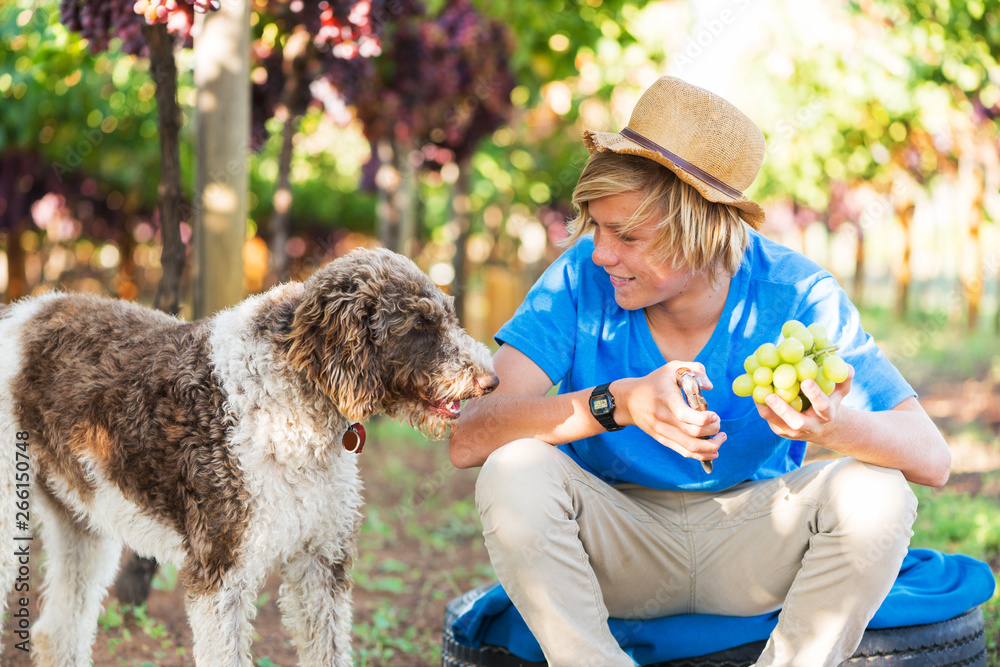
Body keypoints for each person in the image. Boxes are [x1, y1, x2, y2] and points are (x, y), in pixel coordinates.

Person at [448, 76, 951, 667]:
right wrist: (618, 403)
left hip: (755, 544)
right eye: (596, 227)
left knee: (877, 490)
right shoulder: (580, 279)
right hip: (619, 548)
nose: (602, 252)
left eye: (627, 235)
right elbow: (471, 434)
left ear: (702, 228)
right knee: (515, 469)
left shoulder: (795, 292)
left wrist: (829, 426)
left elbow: (932, 458)